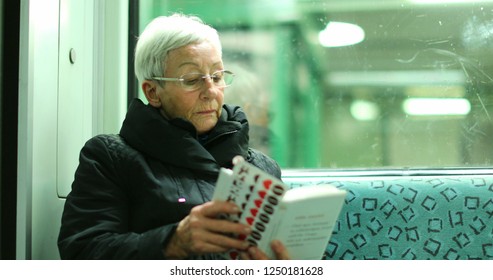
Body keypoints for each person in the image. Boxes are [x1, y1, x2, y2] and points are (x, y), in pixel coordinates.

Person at [57, 13, 289, 260]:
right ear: (153, 92)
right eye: (191, 80)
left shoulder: (262, 167)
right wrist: (174, 241)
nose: (211, 91)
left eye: (217, 76)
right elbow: (82, 252)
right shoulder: (109, 158)